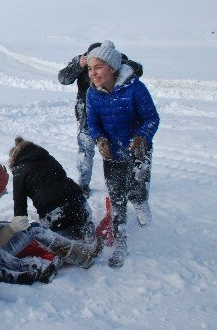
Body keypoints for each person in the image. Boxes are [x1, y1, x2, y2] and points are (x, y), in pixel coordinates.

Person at [0, 158, 103, 269]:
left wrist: (9, 226)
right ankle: (83, 257)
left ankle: (67, 250)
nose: (3, 192)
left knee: (23, 227)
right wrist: (12, 229)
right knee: (34, 229)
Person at [85, 40, 159, 268]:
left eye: (98, 67)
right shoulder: (92, 93)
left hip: (138, 150)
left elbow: (152, 118)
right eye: (89, 68)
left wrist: (142, 138)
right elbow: (93, 122)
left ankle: (141, 200)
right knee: (117, 200)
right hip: (112, 154)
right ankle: (120, 244)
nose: (93, 73)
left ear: (112, 68)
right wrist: (100, 139)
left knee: (136, 191)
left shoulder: (135, 87)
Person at [58, 43, 143, 197]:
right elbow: (63, 78)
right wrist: (78, 65)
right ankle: (83, 184)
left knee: (118, 152)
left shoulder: (117, 61)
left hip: (114, 118)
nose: (94, 70)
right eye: (91, 64)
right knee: (85, 151)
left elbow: (138, 69)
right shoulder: (82, 61)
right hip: (87, 119)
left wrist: (119, 63)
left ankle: (122, 186)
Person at [8, 137, 94, 240]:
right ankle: (89, 235)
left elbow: (19, 202)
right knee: (84, 226)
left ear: (13, 159)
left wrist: (20, 226)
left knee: (61, 241)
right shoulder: (47, 157)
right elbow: (62, 175)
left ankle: (70, 247)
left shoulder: (19, 170)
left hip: (54, 212)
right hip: (78, 201)